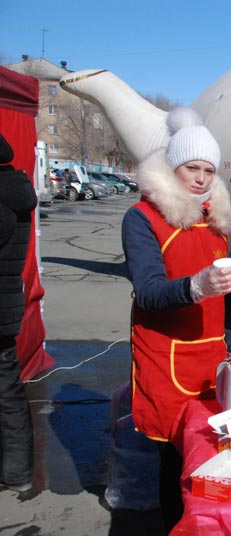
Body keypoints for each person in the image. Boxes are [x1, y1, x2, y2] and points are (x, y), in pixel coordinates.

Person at [121, 107, 231, 530]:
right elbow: (150, 292)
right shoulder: (142, 218)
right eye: (193, 167)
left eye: (209, 170)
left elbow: (227, 299)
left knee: (211, 456)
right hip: (165, 357)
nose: (201, 179)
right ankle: (174, 524)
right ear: (174, 165)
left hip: (211, 358)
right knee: (174, 459)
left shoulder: (216, 223)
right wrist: (195, 287)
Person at [0, 133, 37, 494]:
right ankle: (17, 472)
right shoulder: (15, 189)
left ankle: (16, 472)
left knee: (7, 394)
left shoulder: (4, 193)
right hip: (6, 302)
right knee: (7, 392)